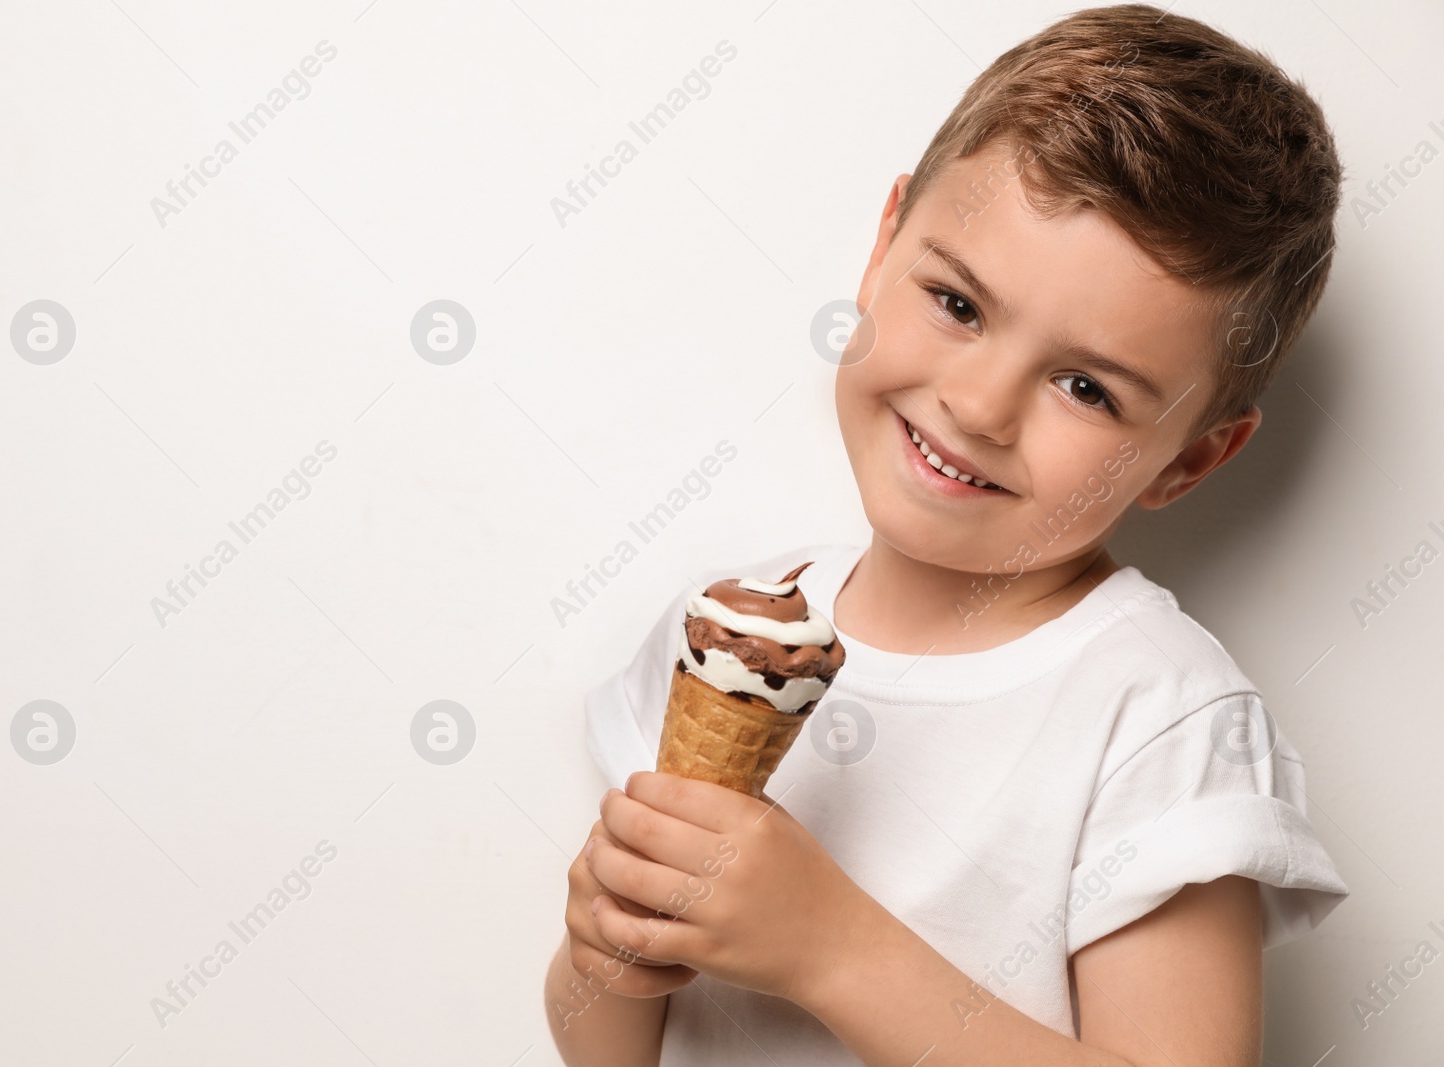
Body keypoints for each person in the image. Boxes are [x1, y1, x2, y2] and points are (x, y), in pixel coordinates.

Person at [547, 4, 1349, 1064]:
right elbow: (601, 1043)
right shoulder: (724, 633)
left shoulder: (1155, 716)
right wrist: (601, 948)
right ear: (883, 249)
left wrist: (830, 948)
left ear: (1190, 458)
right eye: (958, 303)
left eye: (1084, 386)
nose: (976, 404)